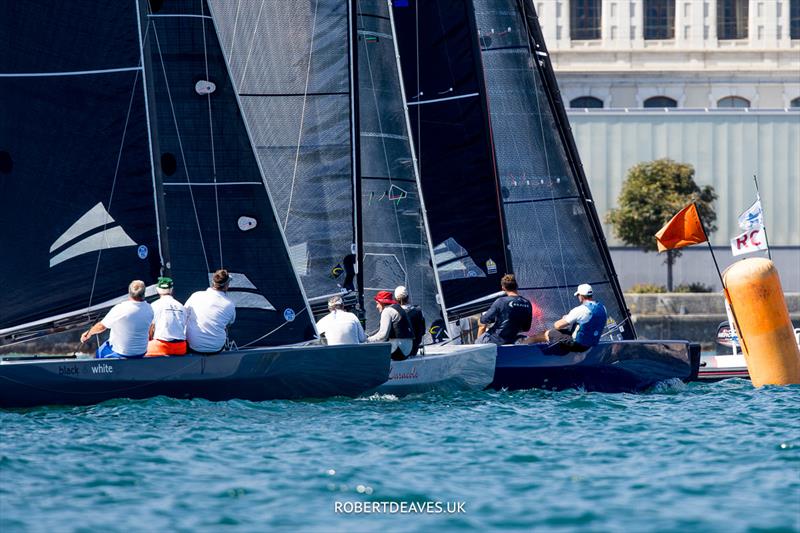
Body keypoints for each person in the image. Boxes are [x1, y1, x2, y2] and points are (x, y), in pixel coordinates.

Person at [80, 280, 153, 359]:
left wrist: (89, 333)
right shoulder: (150, 309)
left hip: (121, 353)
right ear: (144, 294)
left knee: (100, 352)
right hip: (141, 353)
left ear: (129, 293)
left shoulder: (121, 308)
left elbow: (101, 327)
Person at [535, 283, 608, 354]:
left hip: (578, 345)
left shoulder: (580, 310)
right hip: (592, 344)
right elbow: (590, 321)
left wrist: (566, 318)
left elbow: (557, 325)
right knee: (566, 331)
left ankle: (542, 353)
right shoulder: (603, 308)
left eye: (578, 295)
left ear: (581, 296)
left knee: (549, 333)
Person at [184, 269, 236, 354]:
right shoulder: (230, 305)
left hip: (192, 346)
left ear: (213, 282)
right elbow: (229, 323)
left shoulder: (196, 295)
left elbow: (183, 314)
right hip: (216, 348)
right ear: (226, 286)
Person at [476, 274, 532, 345]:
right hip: (513, 339)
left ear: (503, 288)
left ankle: (478, 349)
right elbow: (526, 328)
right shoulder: (527, 303)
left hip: (496, 339)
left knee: (480, 326)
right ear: (516, 286)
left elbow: (483, 321)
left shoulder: (501, 301)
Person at [146, 277, 188, 357]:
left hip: (162, 347)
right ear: (171, 289)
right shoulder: (181, 306)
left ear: (157, 289)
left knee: (141, 349)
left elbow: (149, 330)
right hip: (181, 348)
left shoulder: (154, 305)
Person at [367, 291, 415, 360]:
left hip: (399, 351)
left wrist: (367, 340)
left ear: (382, 303)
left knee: (369, 351)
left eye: (377, 304)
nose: (376, 306)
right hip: (408, 349)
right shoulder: (398, 308)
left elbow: (383, 335)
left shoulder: (387, 311)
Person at [394, 285, 425, 356]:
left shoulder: (393, 312)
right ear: (408, 297)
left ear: (395, 299)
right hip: (414, 349)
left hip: (399, 351)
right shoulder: (418, 310)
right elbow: (423, 331)